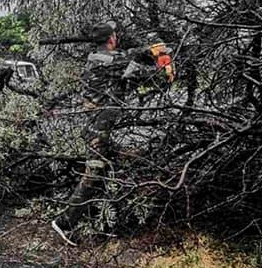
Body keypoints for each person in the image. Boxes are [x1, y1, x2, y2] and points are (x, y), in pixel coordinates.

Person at [51, 23, 173, 246]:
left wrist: (157, 61)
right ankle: (64, 223)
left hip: (100, 129)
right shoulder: (104, 60)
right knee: (94, 173)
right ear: (111, 39)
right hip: (97, 129)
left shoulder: (107, 62)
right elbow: (132, 60)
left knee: (118, 164)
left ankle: (107, 221)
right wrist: (159, 56)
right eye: (115, 36)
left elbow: (140, 75)